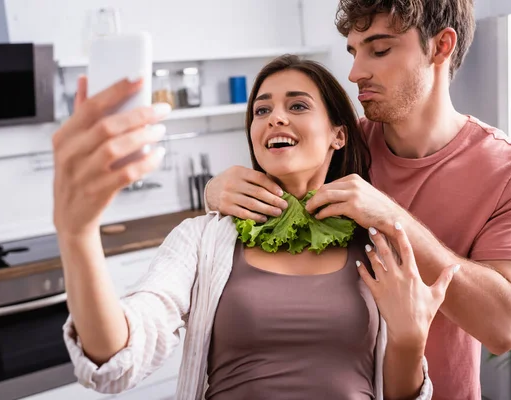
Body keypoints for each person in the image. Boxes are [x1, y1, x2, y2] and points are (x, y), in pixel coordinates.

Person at [52, 55, 459, 400]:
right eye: (261, 111)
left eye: (297, 106)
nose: (275, 117)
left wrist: (409, 339)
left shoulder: (377, 245)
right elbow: (116, 358)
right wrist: (78, 233)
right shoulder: (202, 239)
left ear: (338, 135)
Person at [203, 1, 511, 400]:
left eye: (379, 50)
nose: (354, 73)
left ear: (440, 47)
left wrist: (389, 216)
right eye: (353, 51)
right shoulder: (338, 144)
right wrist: (214, 191)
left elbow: (505, 327)